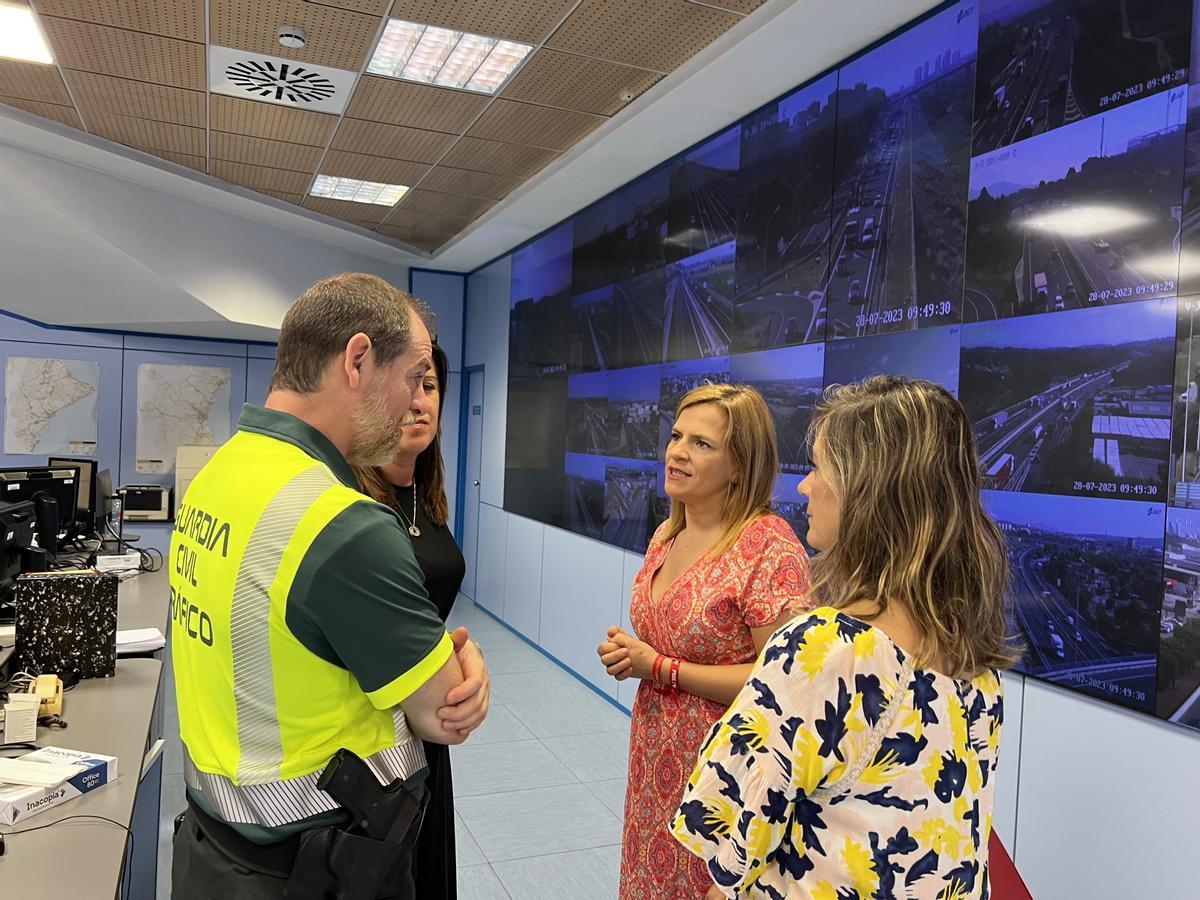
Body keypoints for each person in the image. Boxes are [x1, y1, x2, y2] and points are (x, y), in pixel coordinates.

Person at [169, 273, 489, 900]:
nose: (415, 404)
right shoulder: (342, 524)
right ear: (358, 359)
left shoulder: (219, 475)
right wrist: (462, 656)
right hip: (318, 863)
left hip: (218, 847)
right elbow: (444, 714)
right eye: (411, 376)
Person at [671, 376, 1015, 899]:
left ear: (864, 490)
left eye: (816, 467)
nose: (804, 487)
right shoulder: (978, 670)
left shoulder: (821, 651)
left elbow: (733, 858)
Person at [596, 383, 812, 900]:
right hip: (654, 760)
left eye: (701, 443)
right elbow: (663, 642)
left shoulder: (769, 548)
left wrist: (662, 669)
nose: (677, 452)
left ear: (740, 465)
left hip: (728, 775)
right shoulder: (665, 535)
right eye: (676, 436)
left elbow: (783, 688)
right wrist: (635, 656)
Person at [354, 342, 474, 900]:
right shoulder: (348, 503)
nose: (419, 401)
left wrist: (460, 660)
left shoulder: (425, 498)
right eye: (408, 384)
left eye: (430, 387)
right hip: (367, 734)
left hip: (425, 722)